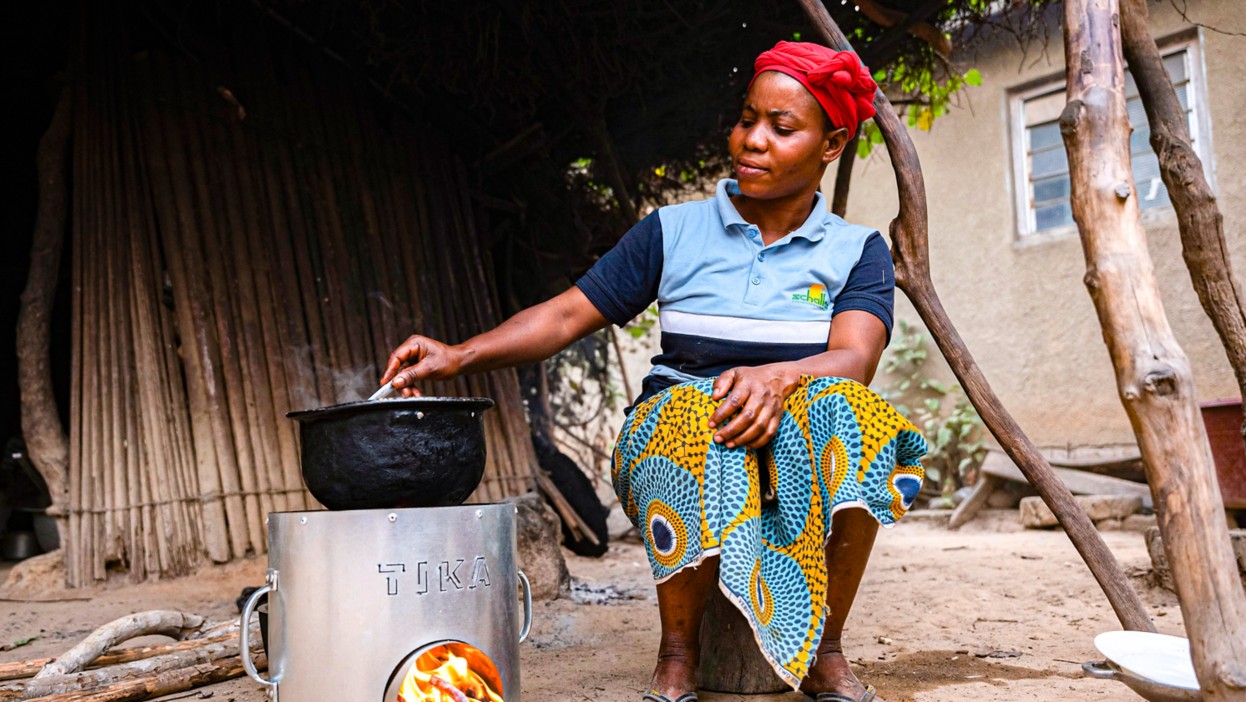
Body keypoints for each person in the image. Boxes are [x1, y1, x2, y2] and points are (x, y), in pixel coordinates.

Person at [380, 41, 926, 702]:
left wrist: (776, 378)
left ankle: (825, 649)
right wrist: (458, 355)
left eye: (781, 129)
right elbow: (565, 316)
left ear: (831, 144)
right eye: (746, 119)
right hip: (681, 433)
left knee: (860, 415)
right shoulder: (674, 231)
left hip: (797, 437)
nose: (751, 140)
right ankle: (677, 653)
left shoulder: (855, 250)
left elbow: (855, 358)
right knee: (694, 414)